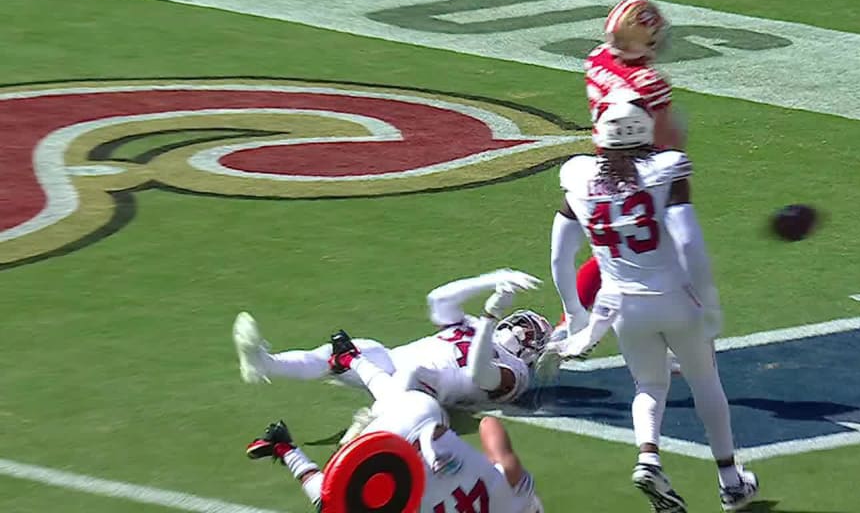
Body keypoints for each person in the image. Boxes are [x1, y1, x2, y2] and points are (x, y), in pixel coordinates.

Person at [548, 92, 758, 512]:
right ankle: (730, 481)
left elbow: (559, 254)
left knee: (649, 384)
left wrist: (575, 312)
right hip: (675, 298)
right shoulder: (666, 169)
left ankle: (648, 456)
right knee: (704, 379)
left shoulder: (579, 176)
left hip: (624, 307)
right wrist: (710, 300)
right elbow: (688, 241)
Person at [245, 345, 543, 513]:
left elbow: (491, 426)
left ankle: (352, 358)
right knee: (333, 503)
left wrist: (489, 462)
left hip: (421, 421)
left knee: (405, 405)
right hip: (394, 458)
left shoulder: (512, 493)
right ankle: (284, 447)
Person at [557, 0, 687, 345]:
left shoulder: (596, 59)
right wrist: (675, 162)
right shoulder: (649, 80)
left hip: (604, 159)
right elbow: (665, 135)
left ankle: (572, 318)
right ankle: (666, 338)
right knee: (652, 254)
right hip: (642, 167)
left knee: (607, 249)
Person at [232, 270, 551, 408]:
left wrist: (490, 318)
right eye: (524, 322)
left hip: (426, 391)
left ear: (533, 353)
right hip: (393, 363)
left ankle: (375, 421)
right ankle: (264, 364)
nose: (523, 330)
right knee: (361, 347)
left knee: (416, 373)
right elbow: (438, 300)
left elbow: (482, 373)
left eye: (532, 333)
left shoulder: (517, 374)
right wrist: (491, 279)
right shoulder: (472, 325)